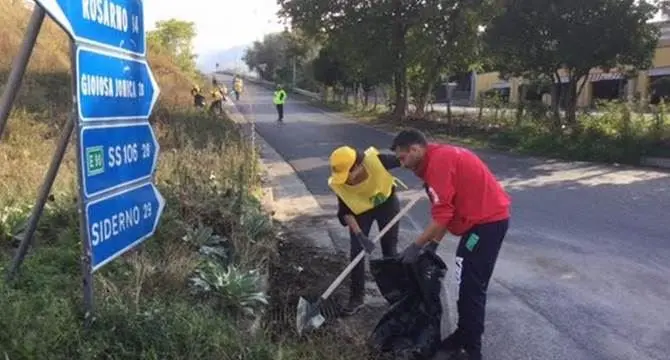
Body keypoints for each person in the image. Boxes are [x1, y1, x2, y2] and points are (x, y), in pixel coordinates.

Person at [390, 129, 511, 360]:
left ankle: (471, 349)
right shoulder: (437, 159)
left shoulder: (438, 164)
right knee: (466, 282)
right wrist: (433, 244)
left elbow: (442, 215)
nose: (402, 164)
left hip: (486, 225)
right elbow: (449, 208)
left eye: (403, 158)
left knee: (470, 286)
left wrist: (417, 245)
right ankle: (464, 334)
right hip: (482, 222)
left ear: (415, 149)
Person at [328, 145, 406, 315]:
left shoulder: (377, 161)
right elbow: (345, 212)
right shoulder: (339, 184)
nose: (345, 180)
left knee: (390, 250)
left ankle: (395, 296)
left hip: (386, 203)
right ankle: (356, 298)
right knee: (356, 251)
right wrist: (360, 235)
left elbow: (406, 159)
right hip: (361, 211)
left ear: (357, 165)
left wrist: (428, 176)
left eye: (348, 173)